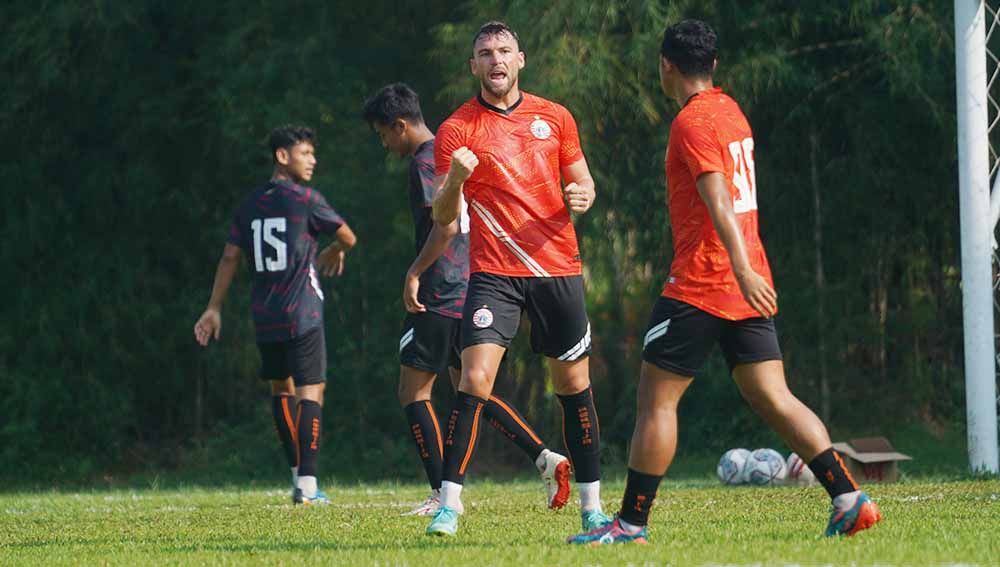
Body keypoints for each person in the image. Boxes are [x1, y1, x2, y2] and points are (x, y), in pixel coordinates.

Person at [567, 20, 882, 545]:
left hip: (703, 281)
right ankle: (849, 497)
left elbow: (718, 198)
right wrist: (749, 271)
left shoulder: (691, 123)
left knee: (656, 403)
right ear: (713, 65)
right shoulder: (731, 110)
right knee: (773, 396)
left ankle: (630, 525)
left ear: (666, 65)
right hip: (746, 280)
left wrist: (738, 267)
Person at [424, 21, 610, 537]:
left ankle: (592, 509)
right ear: (474, 67)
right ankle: (450, 505)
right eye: (485, 53)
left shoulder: (556, 117)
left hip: (557, 268)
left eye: (504, 50)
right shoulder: (456, 129)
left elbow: (584, 182)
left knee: (574, 387)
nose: (495, 60)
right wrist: (457, 178)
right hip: (494, 274)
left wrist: (583, 197)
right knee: (475, 381)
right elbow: (443, 215)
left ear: (521, 59)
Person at [362, 83, 573, 517]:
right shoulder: (458, 146)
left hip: (440, 290)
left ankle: (442, 494)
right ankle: (545, 458)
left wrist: (415, 272)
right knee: (471, 389)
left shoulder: (426, 162)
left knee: (412, 392)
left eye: (383, 134)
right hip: (473, 284)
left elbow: (443, 227)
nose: (383, 143)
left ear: (400, 125)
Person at [193, 125, 356, 506]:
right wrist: (336, 250)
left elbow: (230, 256)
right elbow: (348, 235)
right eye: (305, 153)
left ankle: (297, 478)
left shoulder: (249, 204)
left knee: (280, 391)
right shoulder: (306, 199)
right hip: (303, 312)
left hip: (265, 315)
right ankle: (310, 488)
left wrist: (214, 307)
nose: (313, 160)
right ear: (282, 156)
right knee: (311, 391)